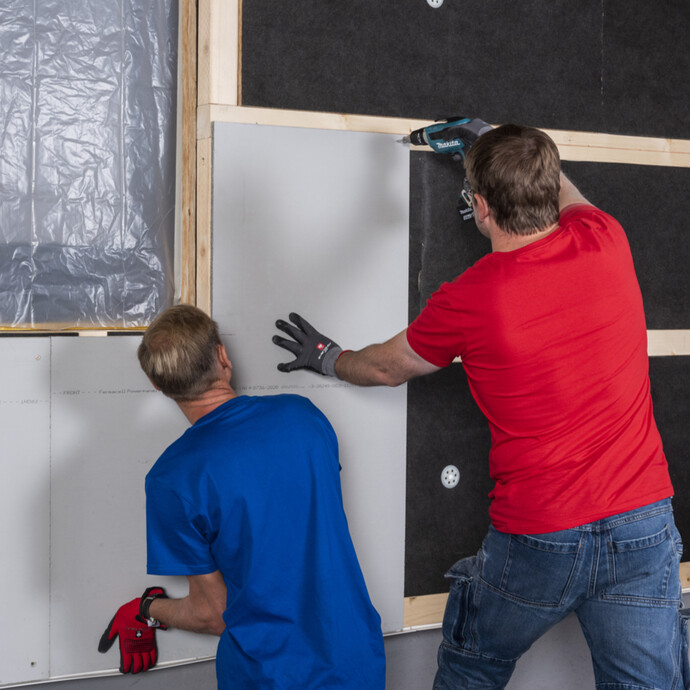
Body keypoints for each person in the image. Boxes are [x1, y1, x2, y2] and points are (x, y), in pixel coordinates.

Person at [272, 123, 689, 689]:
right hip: (643, 525)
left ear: (482, 209)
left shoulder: (472, 297)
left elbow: (385, 367)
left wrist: (328, 356)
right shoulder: (604, 238)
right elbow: (566, 193)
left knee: (472, 669)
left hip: (542, 536)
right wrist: (492, 135)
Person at [99, 304, 386, 688]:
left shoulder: (172, 479)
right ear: (222, 357)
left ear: (159, 385)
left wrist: (146, 609)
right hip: (356, 662)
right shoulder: (305, 417)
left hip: (268, 677)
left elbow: (211, 614)